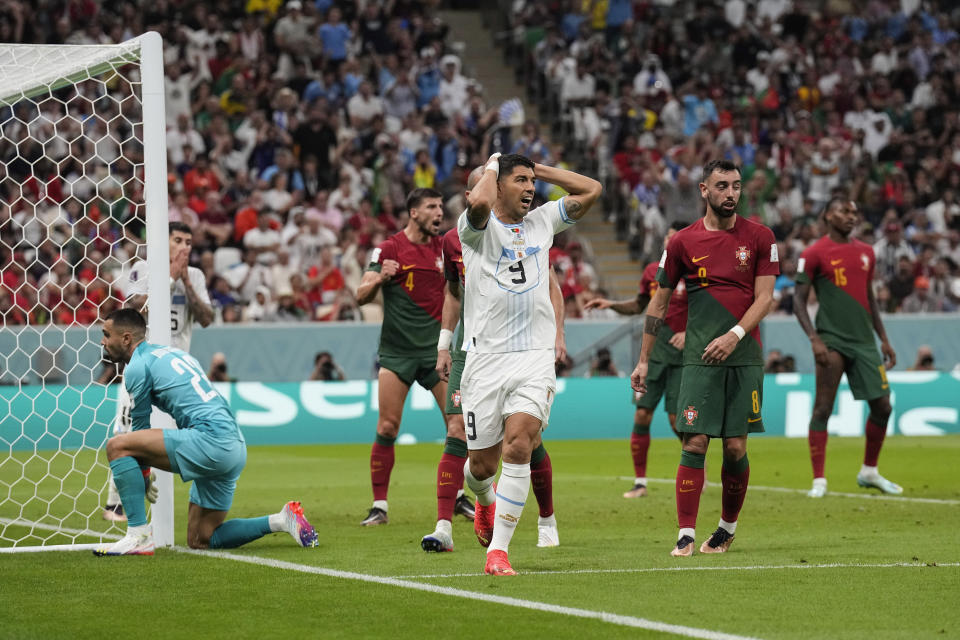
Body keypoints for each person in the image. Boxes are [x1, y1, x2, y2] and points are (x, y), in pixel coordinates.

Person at [458, 152, 602, 575]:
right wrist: (491, 167)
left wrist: (540, 170)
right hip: (485, 360)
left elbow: (592, 189)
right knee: (482, 467)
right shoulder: (475, 230)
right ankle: (484, 500)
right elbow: (480, 204)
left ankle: (498, 552)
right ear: (498, 183)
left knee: (520, 444)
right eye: (518, 181)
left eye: (531, 183)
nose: (529, 189)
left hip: (534, 358)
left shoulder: (542, 221)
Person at [631, 159, 779, 557]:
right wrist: (644, 359)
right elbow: (658, 304)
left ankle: (726, 529)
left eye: (736, 185)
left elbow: (766, 298)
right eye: (722, 186)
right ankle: (685, 533)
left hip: (744, 357)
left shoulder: (761, 237)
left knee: (735, 448)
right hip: (698, 359)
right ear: (703, 190)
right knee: (694, 441)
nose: (731, 193)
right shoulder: (681, 242)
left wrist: (733, 336)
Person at [94, 309, 318, 555]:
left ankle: (138, 536)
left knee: (117, 445)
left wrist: (144, 478)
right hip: (234, 444)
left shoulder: (137, 366)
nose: (103, 341)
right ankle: (281, 520)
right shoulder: (172, 353)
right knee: (201, 538)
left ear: (126, 338)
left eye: (106, 335)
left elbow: (137, 433)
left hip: (210, 441)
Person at [432, 166, 566, 553]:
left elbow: (549, 283)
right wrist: (445, 344)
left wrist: (557, 333)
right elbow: (453, 293)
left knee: (525, 439)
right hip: (475, 351)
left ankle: (541, 522)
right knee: (474, 455)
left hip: (527, 351)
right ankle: (482, 500)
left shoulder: (530, 232)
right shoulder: (458, 237)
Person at [355, 188, 473, 530]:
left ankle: (459, 496)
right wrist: (380, 276)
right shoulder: (389, 249)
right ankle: (379, 505)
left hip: (438, 353)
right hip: (397, 353)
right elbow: (360, 296)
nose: (439, 212)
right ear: (414, 213)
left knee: (457, 426)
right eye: (431, 207)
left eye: (440, 206)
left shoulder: (446, 247)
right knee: (387, 426)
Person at [102, 222, 215, 522]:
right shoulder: (143, 268)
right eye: (178, 240)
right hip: (143, 365)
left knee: (186, 434)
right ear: (164, 243)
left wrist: (186, 284)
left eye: (189, 242)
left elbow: (206, 318)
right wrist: (168, 279)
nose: (184, 247)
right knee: (128, 431)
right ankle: (116, 503)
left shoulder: (197, 276)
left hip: (177, 372)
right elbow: (133, 313)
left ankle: (202, 504)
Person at [794, 199, 901, 498]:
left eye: (855, 212)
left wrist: (883, 338)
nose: (851, 217)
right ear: (828, 215)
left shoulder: (866, 252)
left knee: (883, 405)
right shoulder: (814, 253)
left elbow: (870, 298)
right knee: (823, 407)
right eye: (844, 211)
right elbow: (798, 301)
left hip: (864, 340)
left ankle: (869, 471)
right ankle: (819, 480)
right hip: (832, 340)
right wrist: (814, 339)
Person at [585, 223, 688, 498]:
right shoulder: (652, 272)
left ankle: (693, 468)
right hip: (654, 355)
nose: (671, 242)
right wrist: (611, 304)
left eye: (676, 238)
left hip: (683, 357)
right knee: (642, 414)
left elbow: (709, 310)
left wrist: (689, 333)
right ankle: (640, 482)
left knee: (677, 420)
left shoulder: (696, 273)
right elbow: (640, 305)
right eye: (668, 238)